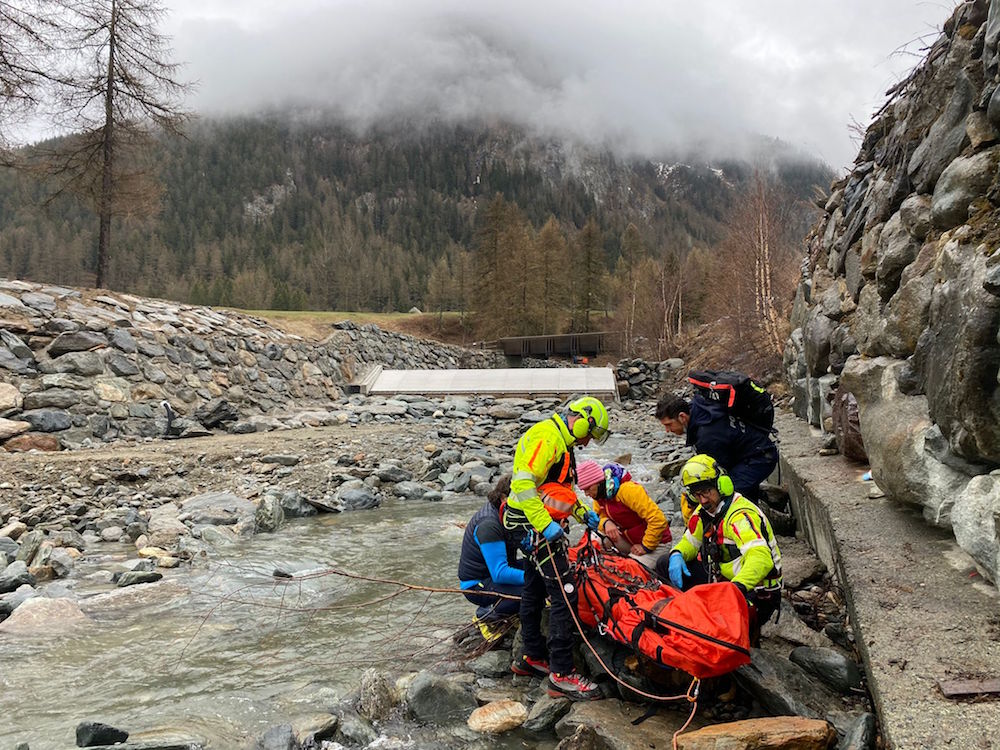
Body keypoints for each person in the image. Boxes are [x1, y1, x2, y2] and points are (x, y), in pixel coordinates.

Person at [504, 395, 609, 701]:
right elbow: (523, 484)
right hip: (532, 526)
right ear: (581, 420)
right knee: (565, 592)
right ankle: (561, 674)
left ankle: (530, 657)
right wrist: (544, 525)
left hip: (535, 523)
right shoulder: (547, 437)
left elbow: (557, 491)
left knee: (534, 587)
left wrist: (581, 514)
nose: (588, 442)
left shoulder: (562, 443)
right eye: (589, 434)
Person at [656, 454, 782, 642]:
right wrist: (677, 554)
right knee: (665, 562)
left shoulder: (741, 516)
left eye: (706, 491)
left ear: (721, 485)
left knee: (716, 632)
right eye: (696, 494)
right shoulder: (704, 512)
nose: (703, 499)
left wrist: (734, 589)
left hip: (755, 592)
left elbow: (761, 558)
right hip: (723, 584)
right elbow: (690, 542)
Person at [656, 393, 778, 518]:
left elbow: (717, 472)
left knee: (725, 497)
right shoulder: (698, 409)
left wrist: (695, 497)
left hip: (759, 458)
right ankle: (758, 512)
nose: (667, 430)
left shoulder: (707, 436)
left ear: (682, 417)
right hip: (748, 452)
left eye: (669, 424)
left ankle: (749, 526)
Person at [457, 474, 523, 643]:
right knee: (533, 589)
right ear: (503, 498)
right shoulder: (489, 524)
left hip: (492, 575)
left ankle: (507, 610)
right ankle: (487, 615)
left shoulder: (508, 515)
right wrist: (534, 577)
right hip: (476, 584)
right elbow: (500, 573)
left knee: (538, 568)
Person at [575, 460, 671, 569]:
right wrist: (606, 522)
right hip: (629, 540)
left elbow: (658, 520)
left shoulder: (628, 490)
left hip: (657, 545)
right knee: (594, 540)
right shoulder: (599, 496)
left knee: (629, 569)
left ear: (598, 482)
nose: (586, 494)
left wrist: (645, 547)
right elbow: (599, 516)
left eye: (588, 489)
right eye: (583, 490)